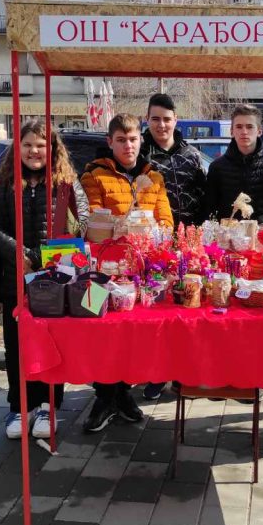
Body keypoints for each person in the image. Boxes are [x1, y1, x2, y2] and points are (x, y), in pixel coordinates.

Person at [0, 121, 90, 439]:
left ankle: (48, 405)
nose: (34, 151)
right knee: (17, 346)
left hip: (54, 278)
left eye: (41, 145)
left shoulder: (66, 182)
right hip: (15, 277)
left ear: (52, 149)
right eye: (28, 144)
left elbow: (83, 222)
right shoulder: (5, 183)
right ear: (18, 148)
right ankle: (20, 406)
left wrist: (51, 251)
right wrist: (19, 253)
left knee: (52, 345)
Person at [81, 113, 173, 432]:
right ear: (110, 142)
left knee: (132, 335)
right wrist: (119, 226)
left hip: (140, 269)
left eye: (133, 139)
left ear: (141, 140)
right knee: (100, 334)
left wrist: (151, 232)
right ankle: (104, 396)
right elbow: (93, 219)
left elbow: (165, 222)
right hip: (101, 268)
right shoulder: (94, 175)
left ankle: (122, 394)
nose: (128, 146)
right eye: (121, 140)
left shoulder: (154, 177)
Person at [140, 93, 207, 227]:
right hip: (154, 234)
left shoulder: (191, 155)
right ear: (147, 119)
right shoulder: (140, 156)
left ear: (175, 119)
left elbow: (205, 197)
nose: (161, 125)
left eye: (167, 119)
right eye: (155, 119)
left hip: (190, 234)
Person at [202, 104, 263, 224]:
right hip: (228, 232)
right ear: (232, 131)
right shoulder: (217, 167)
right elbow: (210, 208)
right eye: (239, 127)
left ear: (259, 131)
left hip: (262, 233)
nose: (244, 132)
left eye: (249, 127)